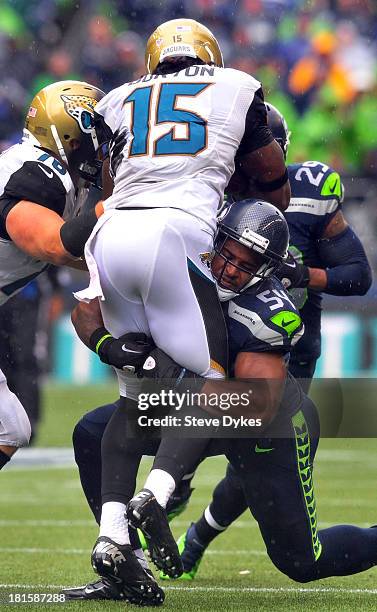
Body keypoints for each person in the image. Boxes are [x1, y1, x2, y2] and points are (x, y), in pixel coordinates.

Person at [74, 17, 290, 603]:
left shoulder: (118, 99)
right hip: (180, 227)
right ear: (210, 55)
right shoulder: (237, 87)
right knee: (210, 382)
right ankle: (158, 492)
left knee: (133, 395)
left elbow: (111, 182)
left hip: (115, 231)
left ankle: (111, 534)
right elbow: (272, 180)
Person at [64, 199, 377, 602]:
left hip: (268, 429)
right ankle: (126, 561)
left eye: (244, 265)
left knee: (301, 561)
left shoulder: (264, 312)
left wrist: (171, 375)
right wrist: (108, 346)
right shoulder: (177, 266)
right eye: (226, 253)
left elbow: (255, 403)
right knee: (92, 431)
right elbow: (87, 308)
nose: (229, 269)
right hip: (192, 414)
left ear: (265, 270)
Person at [159, 102, 373, 580]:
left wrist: (302, 272)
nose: (251, 169)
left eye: (260, 158)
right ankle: (169, 490)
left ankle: (195, 534)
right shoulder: (206, 195)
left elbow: (357, 276)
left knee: (253, 465)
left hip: (285, 353)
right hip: (214, 346)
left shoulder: (311, 192)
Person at [0, 79, 105, 471]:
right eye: (93, 134)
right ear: (69, 132)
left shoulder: (54, 175)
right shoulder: (37, 172)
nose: (100, 146)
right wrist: (106, 200)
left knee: (9, 428)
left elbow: (85, 254)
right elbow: (58, 245)